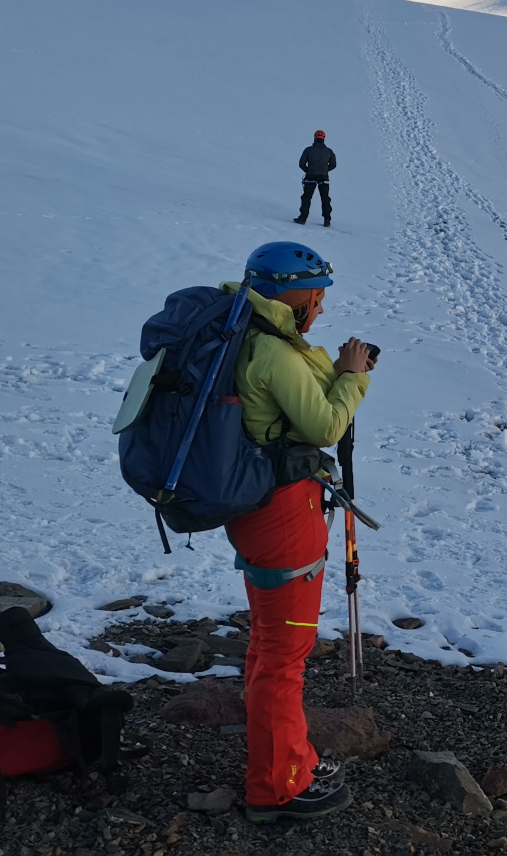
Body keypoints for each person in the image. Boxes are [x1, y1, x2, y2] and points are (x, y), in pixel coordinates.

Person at [224, 241, 373, 824]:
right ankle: (277, 787)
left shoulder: (247, 334)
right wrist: (353, 380)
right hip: (285, 515)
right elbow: (326, 423)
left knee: (269, 645)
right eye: (316, 294)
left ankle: (288, 760)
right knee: (285, 656)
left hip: (257, 511)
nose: (320, 306)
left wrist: (334, 372)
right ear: (290, 292)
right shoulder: (271, 351)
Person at [294, 131, 336, 227]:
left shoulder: (308, 150)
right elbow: (333, 165)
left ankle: (302, 218)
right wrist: (325, 170)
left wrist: (308, 171)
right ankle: (327, 220)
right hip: (324, 177)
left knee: (306, 197)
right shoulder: (329, 151)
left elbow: (301, 164)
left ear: (314, 137)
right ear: (324, 138)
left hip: (310, 176)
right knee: (325, 198)